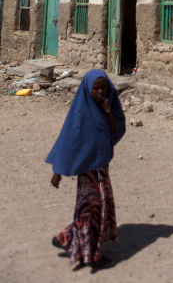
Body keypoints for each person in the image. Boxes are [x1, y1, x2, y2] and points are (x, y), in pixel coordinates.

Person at [46, 69, 126, 269]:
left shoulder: (107, 106)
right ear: (88, 89)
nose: (100, 92)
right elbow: (69, 141)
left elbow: (116, 129)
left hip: (101, 168)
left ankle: (68, 236)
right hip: (88, 173)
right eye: (96, 88)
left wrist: (108, 111)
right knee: (91, 212)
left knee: (94, 210)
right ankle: (93, 255)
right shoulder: (81, 112)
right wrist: (58, 172)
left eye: (103, 87)